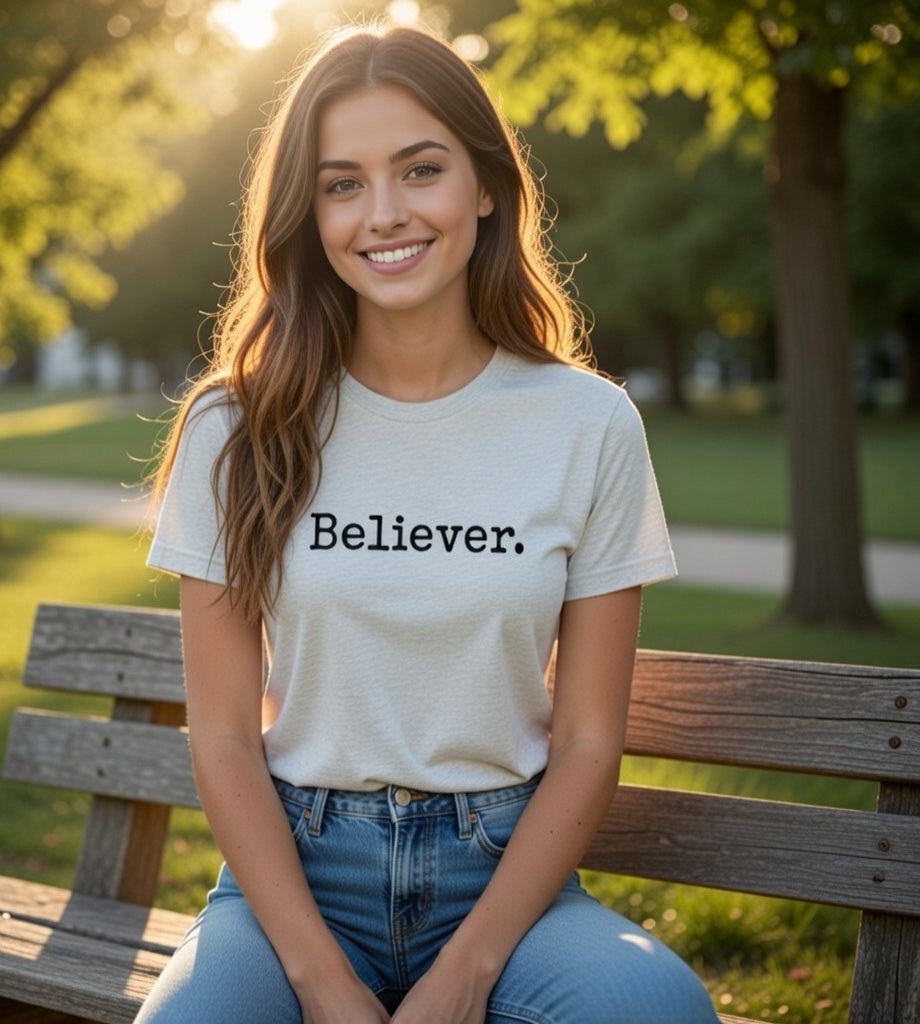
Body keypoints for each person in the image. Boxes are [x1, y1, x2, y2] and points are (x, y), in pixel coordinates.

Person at [138, 21, 718, 1024]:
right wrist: (321, 981)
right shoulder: (236, 426)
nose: (384, 213)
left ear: (485, 185)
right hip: (296, 879)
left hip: (503, 883)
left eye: (419, 169)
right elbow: (226, 736)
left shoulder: (588, 425)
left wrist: (467, 972)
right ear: (307, 210)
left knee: (658, 1011)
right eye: (341, 182)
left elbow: (585, 741)